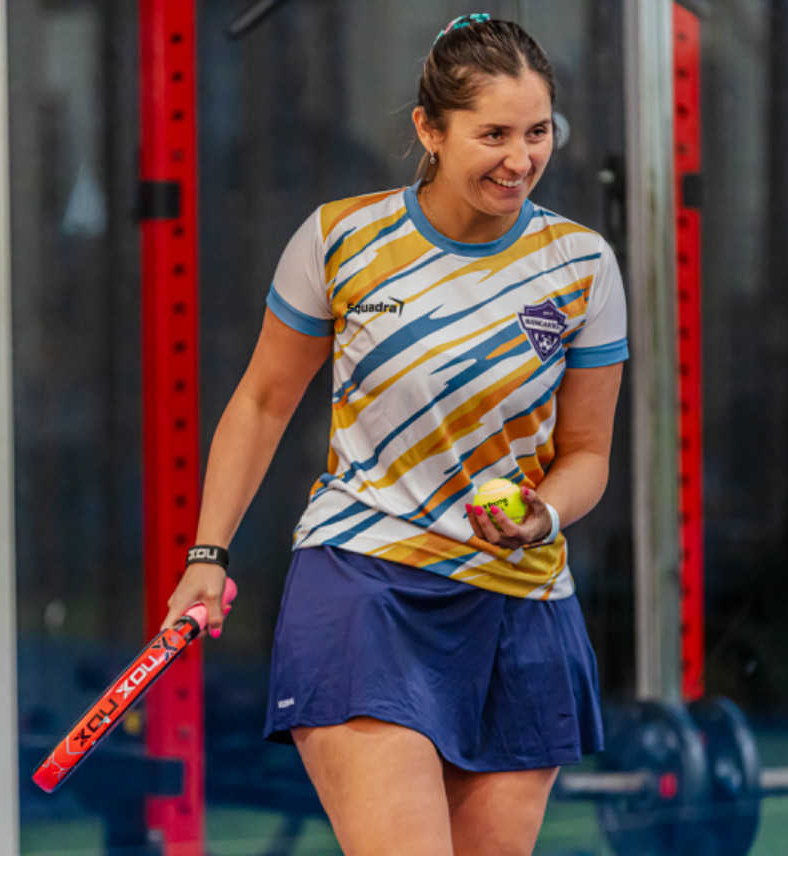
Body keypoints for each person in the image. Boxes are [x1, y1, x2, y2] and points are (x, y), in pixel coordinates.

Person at [161, 14, 628, 855]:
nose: (520, 159)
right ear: (430, 129)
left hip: (522, 609)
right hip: (363, 588)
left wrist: (544, 515)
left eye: (537, 132)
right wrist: (207, 552)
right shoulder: (340, 239)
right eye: (493, 134)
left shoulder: (583, 264)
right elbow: (262, 403)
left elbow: (588, 454)